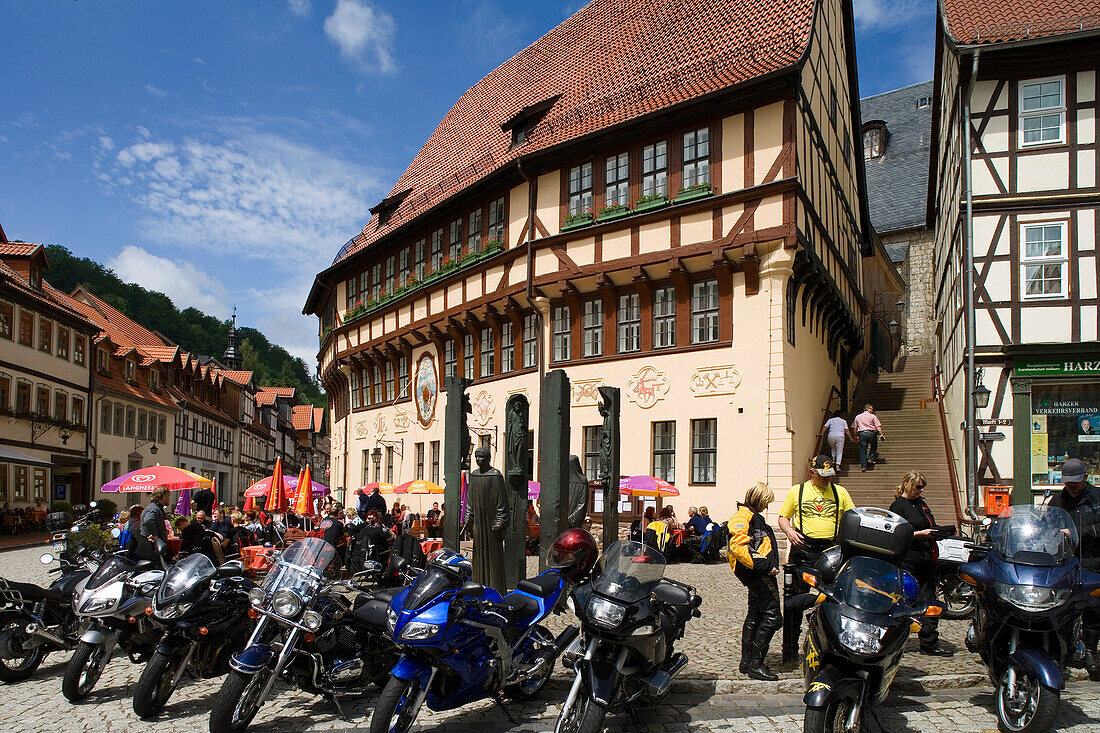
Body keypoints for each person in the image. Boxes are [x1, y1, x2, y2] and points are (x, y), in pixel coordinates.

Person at [778, 455, 854, 658]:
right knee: (794, 599)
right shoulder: (798, 491)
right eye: (822, 475)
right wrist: (789, 532)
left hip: (830, 550)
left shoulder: (840, 492)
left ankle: (835, 647)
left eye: (830, 475)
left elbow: (852, 518)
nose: (827, 479)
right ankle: (790, 650)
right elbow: (783, 517)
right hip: (803, 549)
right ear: (812, 472)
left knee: (835, 598)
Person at [889, 471, 953, 656]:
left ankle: (929, 643)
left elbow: (928, 524)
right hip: (908, 559)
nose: (921, 490)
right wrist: (921, 533)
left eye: (922, 486)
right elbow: (897, 532)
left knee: (930, 600)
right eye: (918, 486)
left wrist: (938, 531)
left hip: (926, 558)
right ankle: (894, 642)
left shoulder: (921, 504)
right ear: (908, 484)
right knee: (904, 601)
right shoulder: (898, 506)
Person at [1050, 458, 1100, 672]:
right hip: (1065, 562)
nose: (1071, 485)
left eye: (1076, 481)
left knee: (1094, 608)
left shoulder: (1097, 498)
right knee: (1061, 607)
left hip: (1093, 561)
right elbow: (1046, 524)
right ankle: (1061, 652)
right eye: (1068, 481)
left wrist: (1082, 532)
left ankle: (1090, 653)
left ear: (1085, 477)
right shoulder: (1057, 500)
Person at [727, 482, 781, 680]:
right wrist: (766, 566)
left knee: (755, 615)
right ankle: (755, 665)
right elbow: (738, 546)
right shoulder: (744, 515)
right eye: (766, 502)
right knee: (773, 618)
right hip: (759, 574)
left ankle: (747, 662)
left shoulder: (749, 515)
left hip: (757, 574)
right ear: (759, 499)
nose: (767, 506)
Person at [136, 486, 171, 561]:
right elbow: (149, 520)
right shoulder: (153, 508)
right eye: (168, 497)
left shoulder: (154, 508)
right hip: (150, 548)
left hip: (151, 547)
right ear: (164, 496)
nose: (169, 499)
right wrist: (155, 535)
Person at [851, 404, 886, 472]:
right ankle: (870, 458)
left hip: (862, 433)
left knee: (863, 450)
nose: (872, 410)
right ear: (868, 409)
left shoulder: (858, 417)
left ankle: (863, 466)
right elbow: (878, 426)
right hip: (871, 433)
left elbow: (854, 428)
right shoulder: (873, 416)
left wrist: (855, 436)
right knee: (874, 445)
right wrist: (881, 434)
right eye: (871, 409)